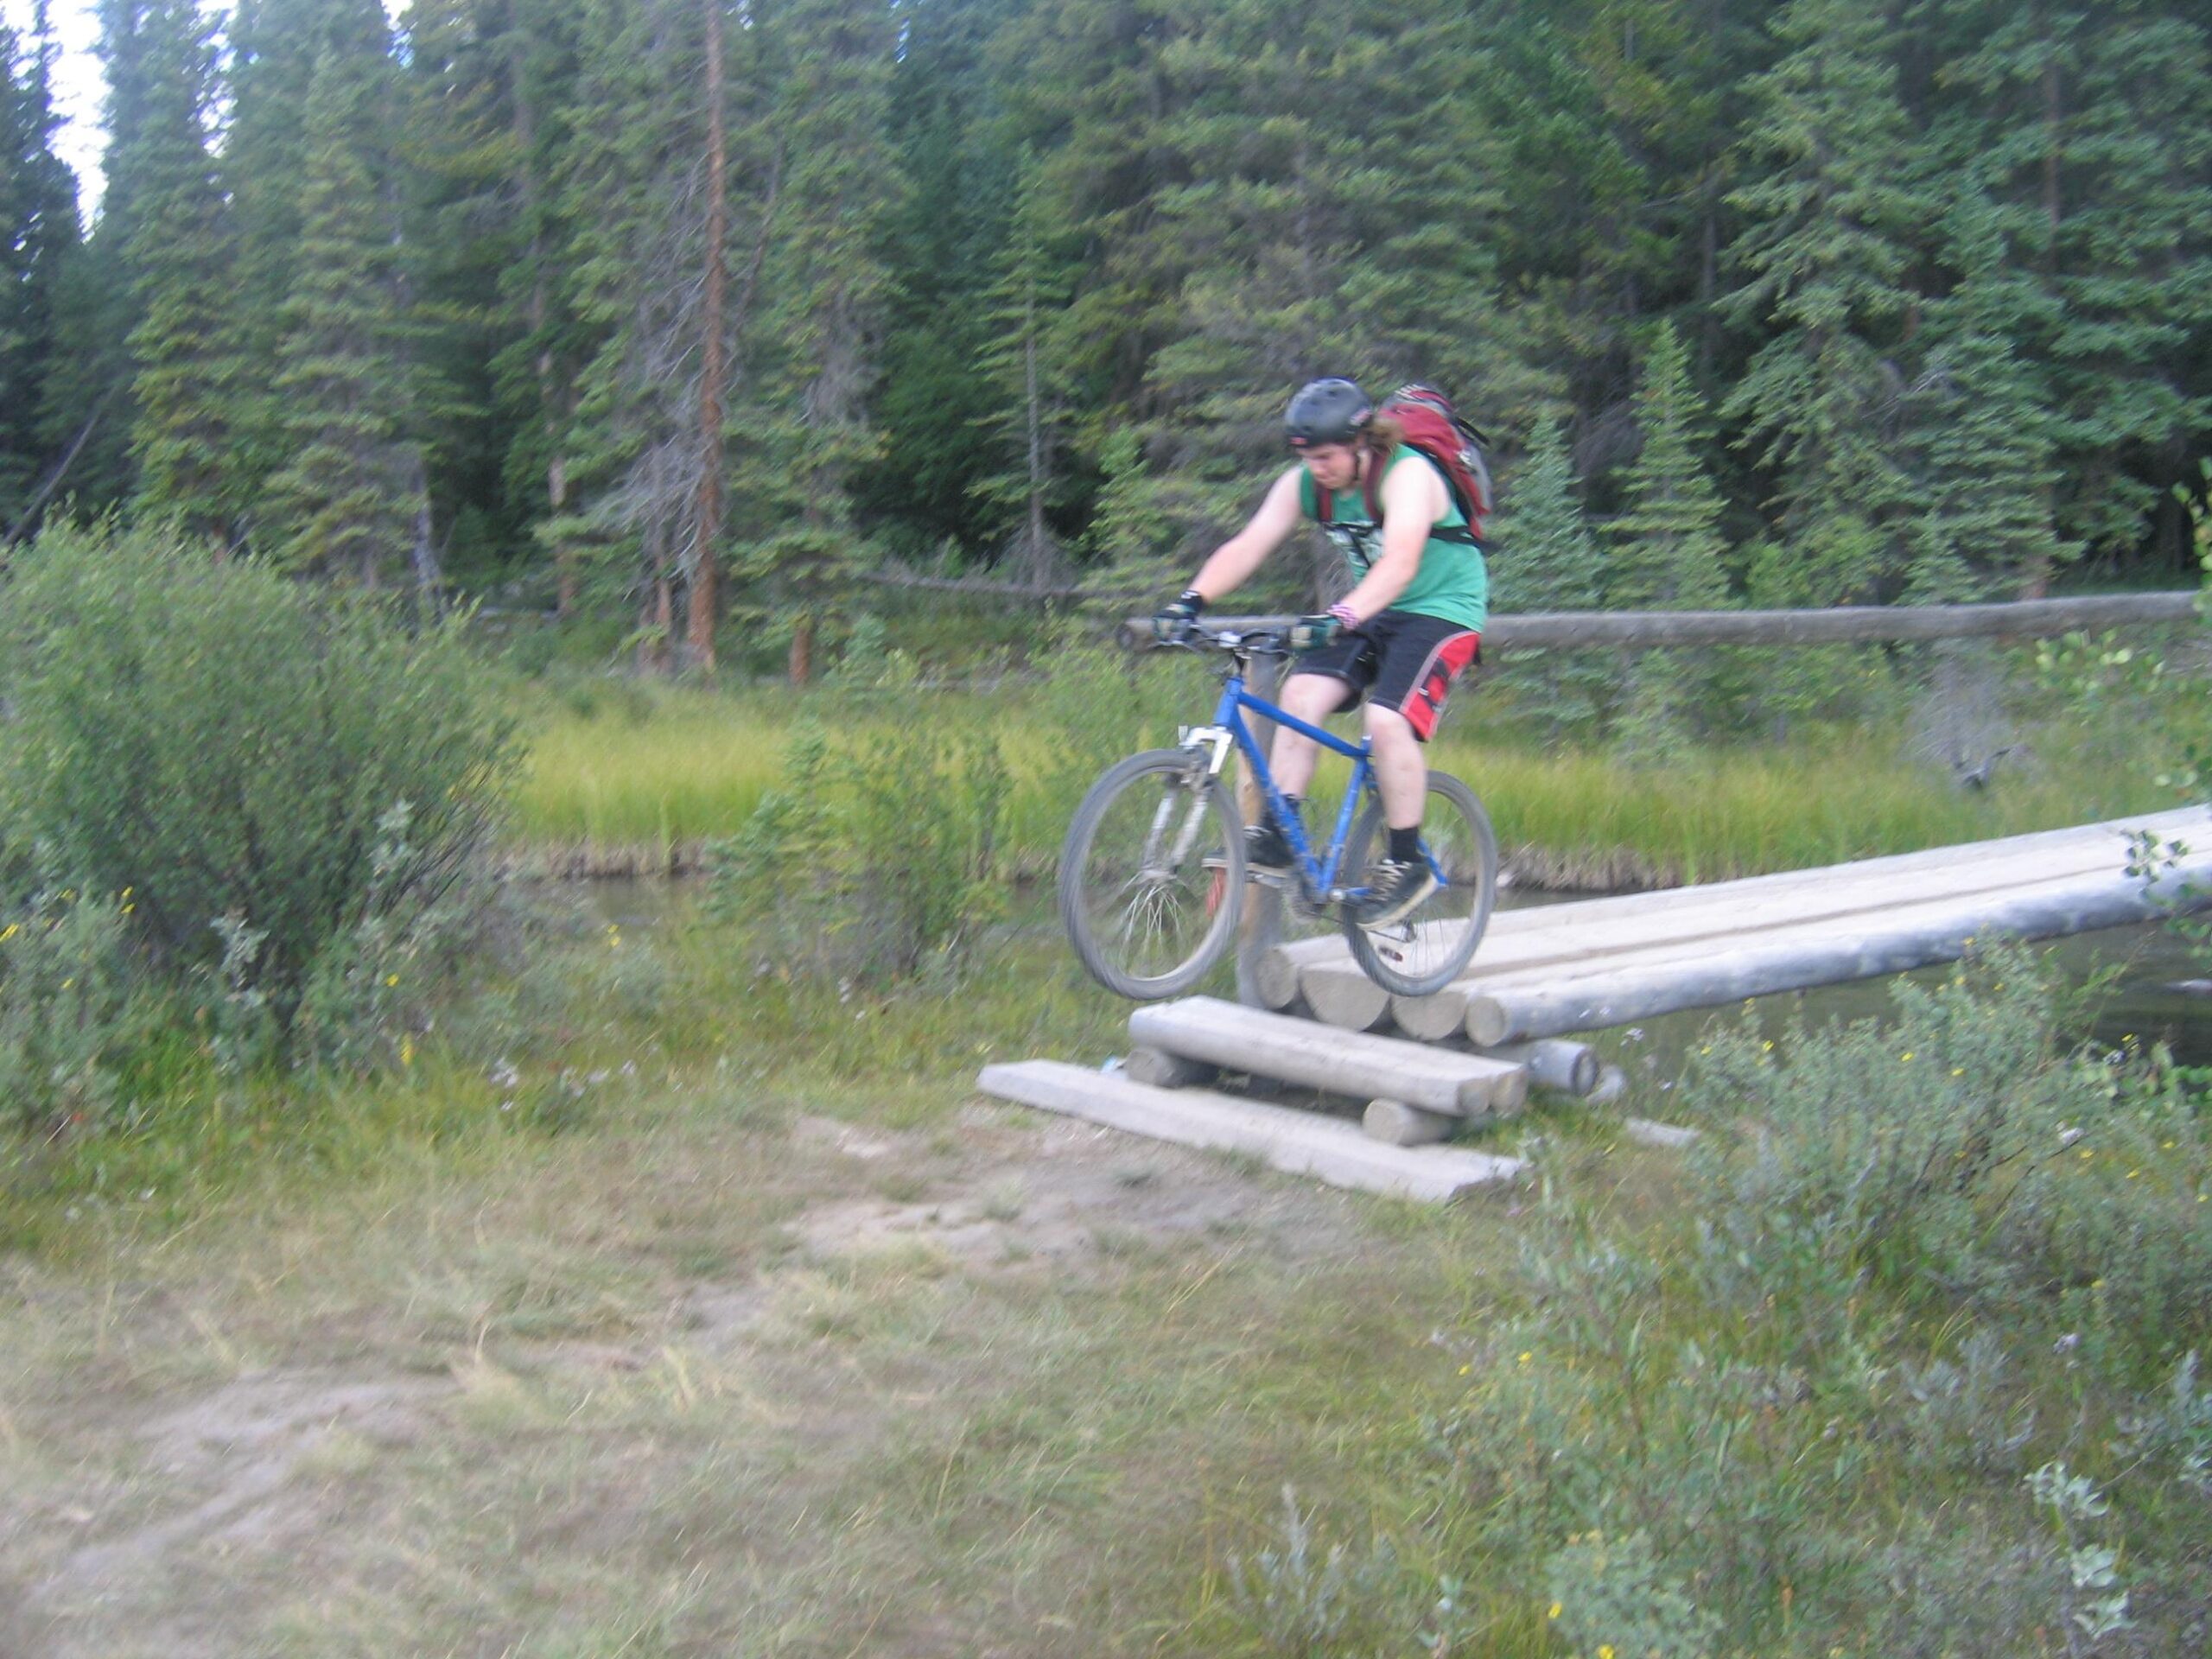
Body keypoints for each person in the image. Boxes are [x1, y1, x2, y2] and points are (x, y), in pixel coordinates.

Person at [1152, 377, 1487, 927]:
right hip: (1371, 608)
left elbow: (1400, 563)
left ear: (1362, 443)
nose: (1318, 469)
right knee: (1299, 694)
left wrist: (1340, 617)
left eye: (1328, 456)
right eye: (1307, 457)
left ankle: (1407, 864)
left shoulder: (1407, 475)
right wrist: (1191, 600)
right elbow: (1250, 543)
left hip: (1442, 610)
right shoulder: (1306, 483)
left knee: (1386, 720)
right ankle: (1283, 833)